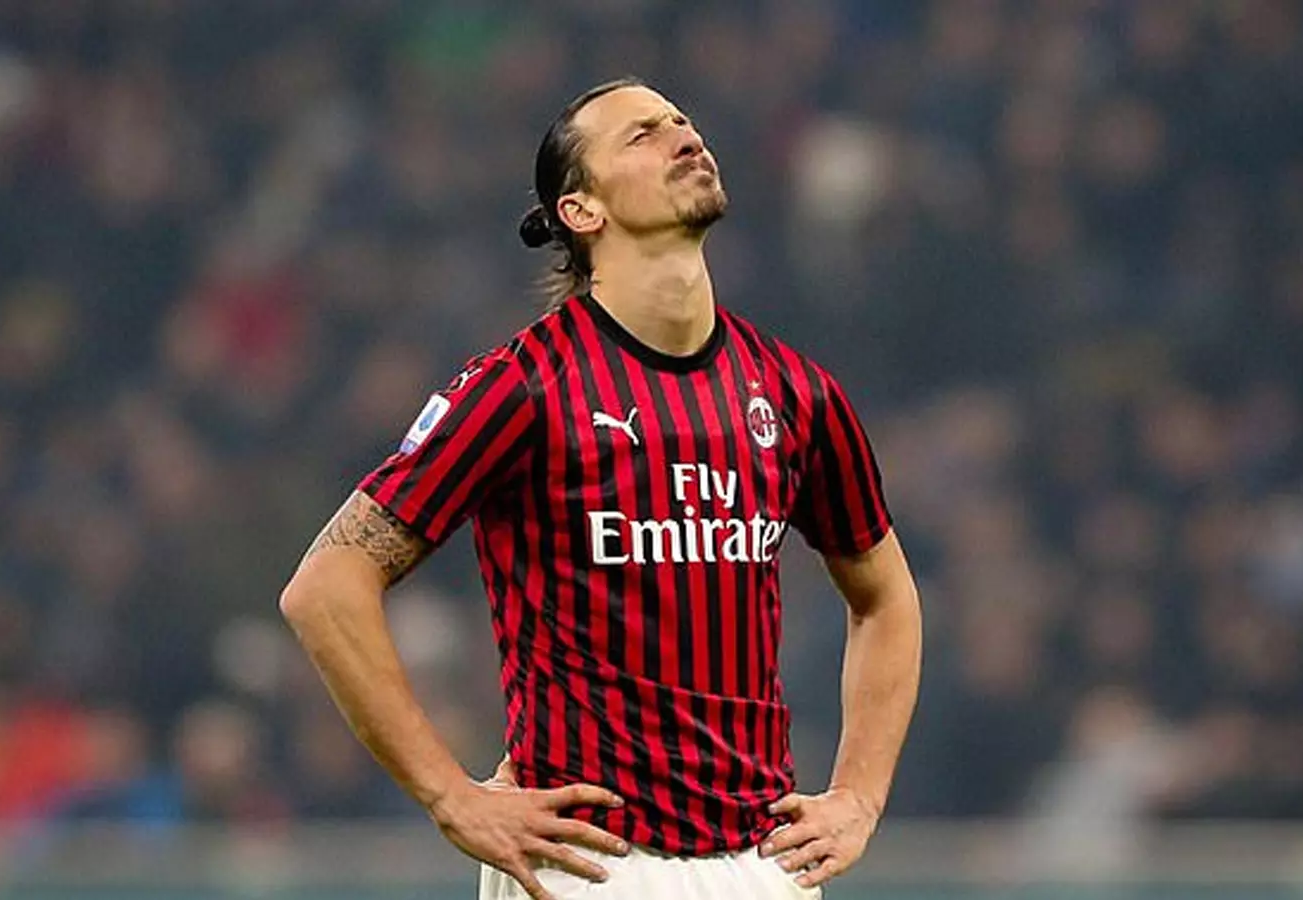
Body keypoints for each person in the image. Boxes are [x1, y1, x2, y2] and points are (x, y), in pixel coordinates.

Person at [279, 78, 923, 900]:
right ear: (581, 209)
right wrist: (450, 796)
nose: (684, 135)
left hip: (763, 864)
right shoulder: (522, 387)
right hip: (589, 863)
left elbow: (885, 598)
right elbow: (327, 587)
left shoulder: (794, 392)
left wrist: (859, 797)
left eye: (682, 121)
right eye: (642, 135)